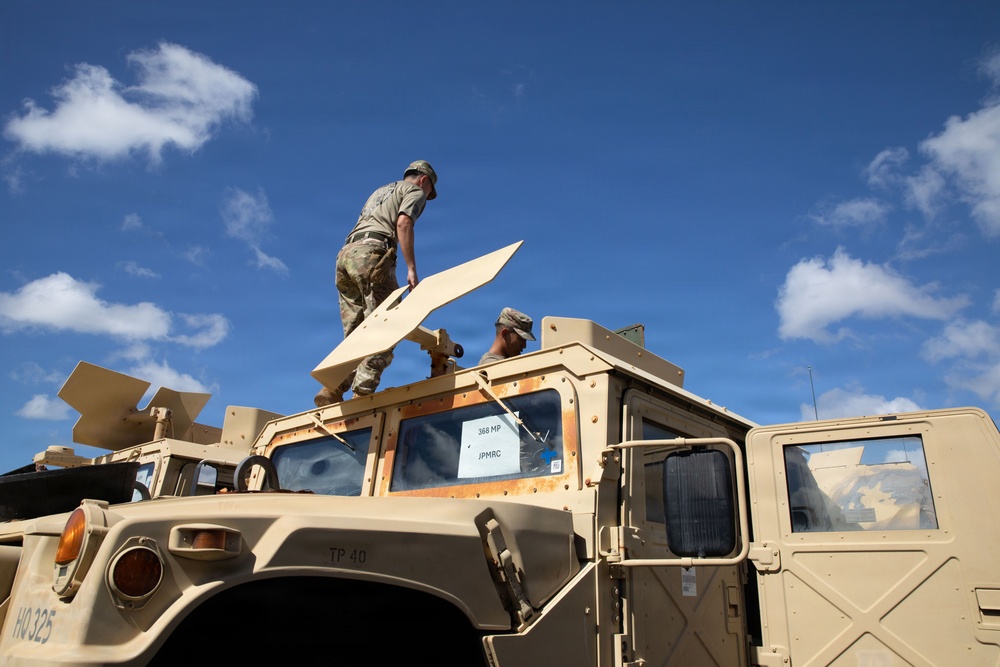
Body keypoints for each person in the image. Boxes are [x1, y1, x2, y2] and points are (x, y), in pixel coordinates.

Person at [315, 160, 438, 407]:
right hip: (372, 255)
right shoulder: (414, 191)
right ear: (424, 180)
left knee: (357, 331)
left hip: (346, 257)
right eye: (428, 191)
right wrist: (411, 268)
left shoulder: (380, 191)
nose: (426, 196)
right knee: (389, 325)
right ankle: (362, 395)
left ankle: (332, 388)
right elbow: (403, 223)